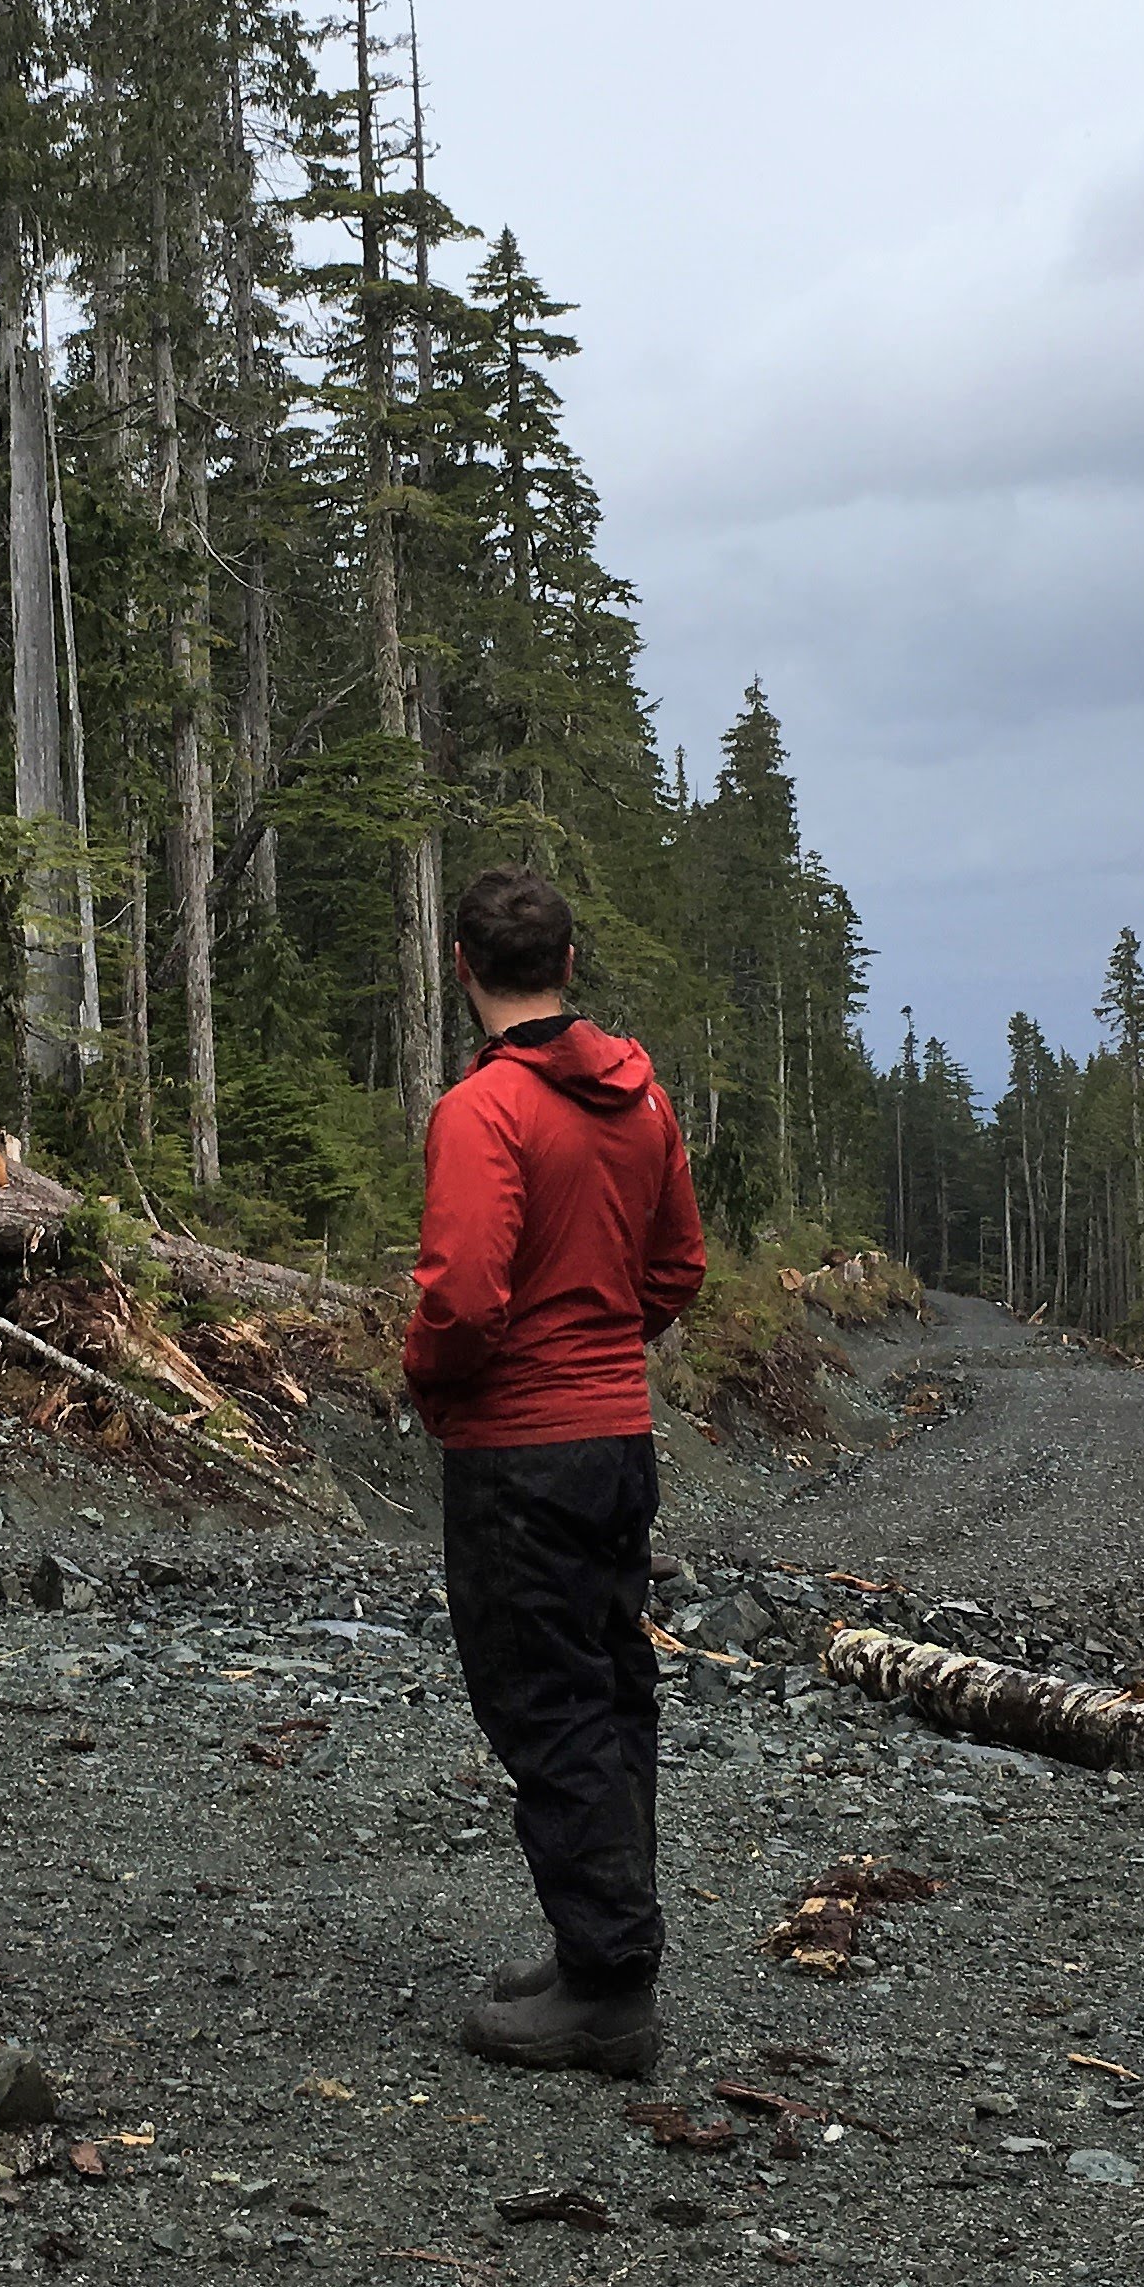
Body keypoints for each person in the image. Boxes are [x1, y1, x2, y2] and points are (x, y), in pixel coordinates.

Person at [403, 863, 706, 2077]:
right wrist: (598, 1348)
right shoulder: (643, 1104)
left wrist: (435, 1383)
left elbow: (464, 1299)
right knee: (611, 1686)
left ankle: (608, 1983)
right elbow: (677, 1270)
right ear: (569, 966)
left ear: (462, 969)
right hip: (616, 1441)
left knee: (548, 1701)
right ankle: (602, 1949)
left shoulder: (483, 1113)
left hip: (519, 1453)